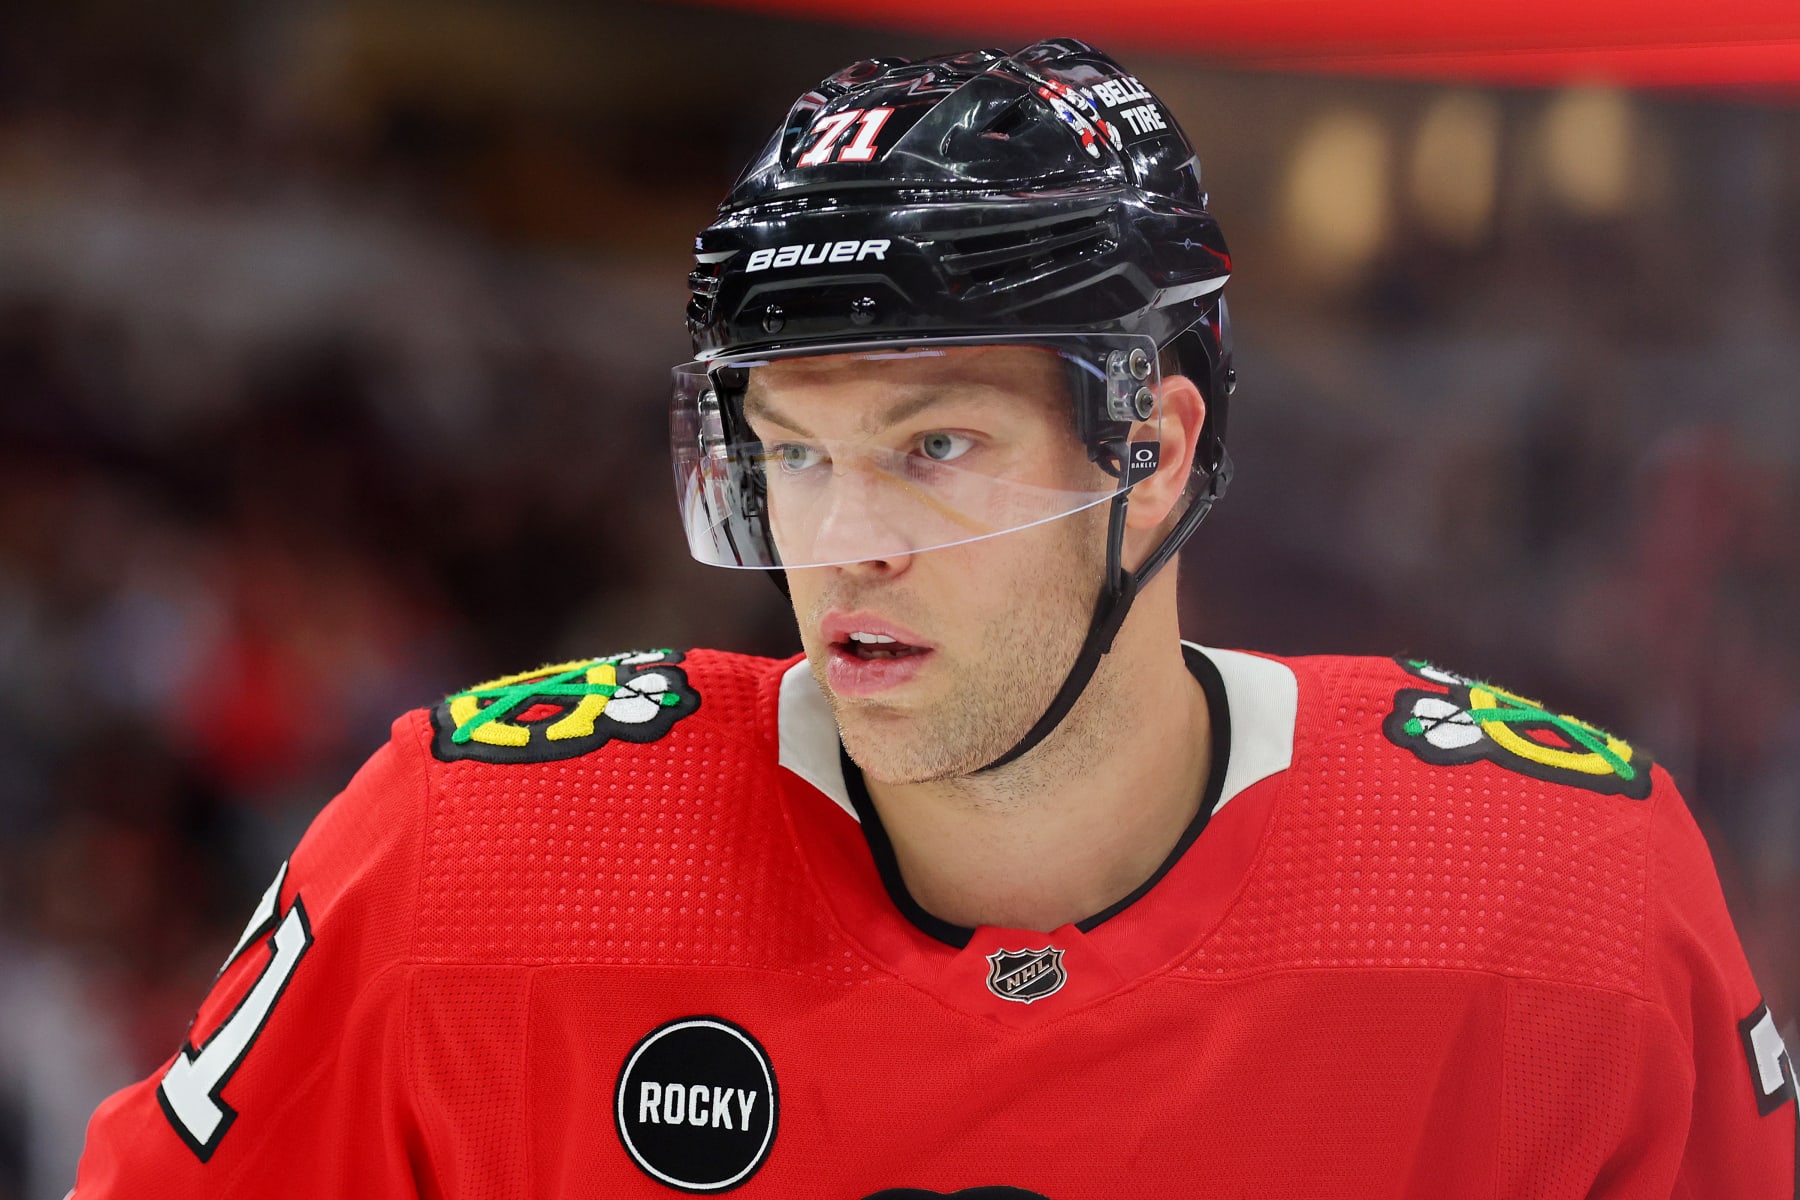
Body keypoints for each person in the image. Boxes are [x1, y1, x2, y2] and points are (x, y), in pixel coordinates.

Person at [72, 37, 1794, 1199]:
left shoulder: (1560, 911)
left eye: (935, 447)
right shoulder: (469, 861)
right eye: (796, 456)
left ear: (1155, 446)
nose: (848, 543)